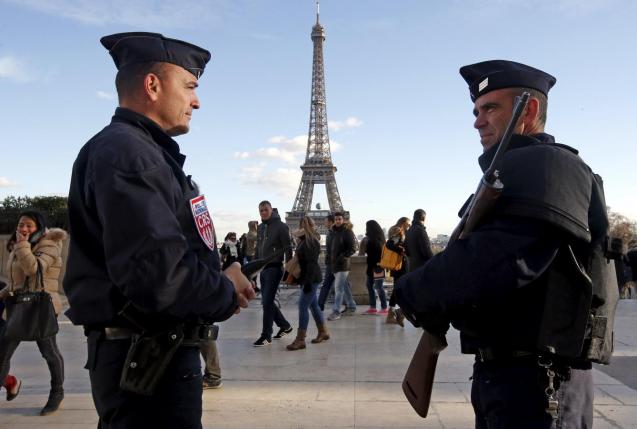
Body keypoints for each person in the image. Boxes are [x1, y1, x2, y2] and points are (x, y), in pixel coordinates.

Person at [396, 60, 618, 428]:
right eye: (476, 111)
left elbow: (495, 260)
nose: (477, 121)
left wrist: (413, 290)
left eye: (491, 108)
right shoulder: (520, 170)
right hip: (511, 374)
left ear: (528, 110)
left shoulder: (548, 166)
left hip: (541, 380)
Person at [63, 32, 255, 428]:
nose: (196, 101)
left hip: (148, 356)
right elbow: (159, 277)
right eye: (189, 86)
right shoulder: (132, 155)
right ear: (152, 85)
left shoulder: (135, 151)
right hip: (150, 363)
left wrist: (220, 278)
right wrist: (223, 291)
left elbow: (160, 258)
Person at [0, 210, 66, 415]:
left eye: (29, 225)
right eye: (21, 225)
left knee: (49, 353)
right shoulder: (19, 246)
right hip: (18, 306)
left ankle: (57, 392)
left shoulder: (49, 244)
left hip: (41, 308)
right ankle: (9, 382)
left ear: (39, 226)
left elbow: (34, 269)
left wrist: (22, 246)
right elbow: (17, 281)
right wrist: (2, 293)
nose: (24, 229)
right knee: (2, 354)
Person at [253, 201, 293, 346]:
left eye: (265, 210)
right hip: (263, 269)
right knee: (267, 302)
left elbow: (288, 248)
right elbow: (258, 249)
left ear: (271, 210)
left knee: (267, 302)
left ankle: (266, 335)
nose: (263, 212)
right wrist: (253, 271)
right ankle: (285, 325)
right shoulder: (261, 227)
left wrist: (288, 270)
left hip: (275, 268)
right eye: (261, 210)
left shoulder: (282, 226)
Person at [286, 217, 329, 350]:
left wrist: (308, 282)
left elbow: (310, 263)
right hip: (310, 277)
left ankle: (300, 339)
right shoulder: (305, 240)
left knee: (302, 306)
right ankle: (323, 332)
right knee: (314, 305)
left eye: (304, 225)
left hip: (311, 278)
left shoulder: (309, 242)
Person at [327, 212, 357, 321]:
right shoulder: (332, 232)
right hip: (334, 264)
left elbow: (352, 248)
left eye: (340, 219)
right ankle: (351, 306)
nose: (338, 221)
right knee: (344, 286)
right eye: (336, 219)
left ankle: (336, 311)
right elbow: (330, 249)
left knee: (338, 288)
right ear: (334, 220)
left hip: (343, 265)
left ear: (343, 220)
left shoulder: (347, 232)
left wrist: (341, 257)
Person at [385, 217, 410, 326]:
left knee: (398, 287)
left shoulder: (395, 229)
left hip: (397, 264)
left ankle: (392, 313)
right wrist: (401, 250)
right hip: (400, 264)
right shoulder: (398, 230)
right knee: (401, 288)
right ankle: (397, 312)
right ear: (404, 223)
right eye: (408, 224)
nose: (409, 226)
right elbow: (389, 244)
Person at [363, 220, 388, 315]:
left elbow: (372, 253)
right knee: (373, 286)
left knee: (377, 287)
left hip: (376, 266)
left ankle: (383, 307)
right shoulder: (379, 239)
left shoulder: (373, 240)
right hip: (376, 266)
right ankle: (375, 307)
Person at [317, 215, 336, 311]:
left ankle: (320, 304)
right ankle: (320, 304)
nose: (324, 223)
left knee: (341, 286)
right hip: (331, 263)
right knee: (342, 286)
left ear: (330, 222)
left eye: (325, 221)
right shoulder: (331, 233)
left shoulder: (333, 233)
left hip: (335, 263)